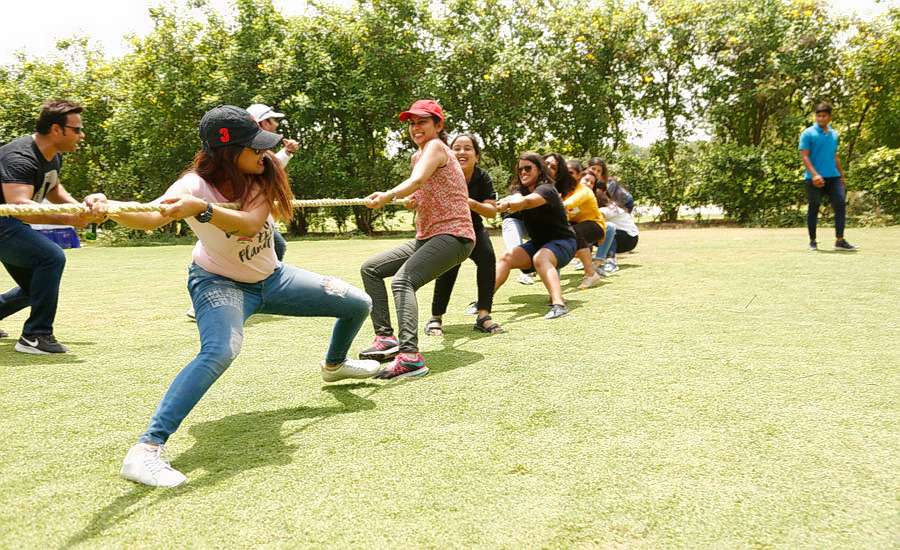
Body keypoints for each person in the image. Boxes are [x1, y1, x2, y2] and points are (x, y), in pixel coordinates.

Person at [110, 106, 380, 487]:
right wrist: (109, 210)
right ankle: (146, 450)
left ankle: (334, 366)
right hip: (220, 283)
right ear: (228, 151)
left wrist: (203, 212)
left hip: (274, 278)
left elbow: (251, 224)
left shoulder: (259, 175)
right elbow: (152, 216)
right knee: (220, 351)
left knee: (357, 303)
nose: (264, 153)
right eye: (255, 147)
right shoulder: (192, 186)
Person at [360, 99, 475, 379]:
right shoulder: (418, 156)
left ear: (438, 125)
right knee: (371, 269)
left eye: (422, 121)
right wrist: (413, 200)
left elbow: (418, 180)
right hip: (428, 236)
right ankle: (386, 338)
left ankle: (410, 357)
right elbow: (421, 189)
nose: (415, 127)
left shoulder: (436, 147)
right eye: (411, 123)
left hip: (454, 235)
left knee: (403, 281)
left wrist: (389, 195)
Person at [0, 99, 107, 353]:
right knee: (51, 258)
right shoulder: (19, 157)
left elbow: (53, 188)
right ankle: (36, 336)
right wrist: (70, 219)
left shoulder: (52, 155)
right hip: (5, 220)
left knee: (37, 287)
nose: (82, 135)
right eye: (77, 130)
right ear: (56, 130)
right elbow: (19, 206)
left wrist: (78, 209)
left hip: (9, 223)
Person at [184, 103, 299, 320]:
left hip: (253, 221)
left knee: (274, 247)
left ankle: (255, 289)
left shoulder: (258, 155)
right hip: (236, 223)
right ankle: (212, 298)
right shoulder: (243, 148)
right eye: (271, 120)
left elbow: (268, 168)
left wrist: (286, 153)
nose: (275, 124)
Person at [425, 133, 502, 336]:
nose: (462, 152)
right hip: (448, 229)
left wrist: (470, 203)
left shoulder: (482, 177)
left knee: (487, 258)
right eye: (456, 148)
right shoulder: (443, 174)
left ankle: (483, 316)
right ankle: (435, 318)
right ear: (449, 154)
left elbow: (492, 212)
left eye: (468, 148)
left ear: (477, 156)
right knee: (448, 267)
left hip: (474, 228)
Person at [495, 153, 577, 320]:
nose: (523, 172)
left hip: (564, 242)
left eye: (528, 168)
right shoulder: (520, 190)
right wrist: (503, 202)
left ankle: (559, 304)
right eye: (520, 170)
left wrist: (509, 204)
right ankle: (482, 302)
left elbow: (527, 202)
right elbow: (518, 197)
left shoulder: (547, 190)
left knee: (541, 257)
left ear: (539, 170)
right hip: (539, 244)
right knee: (507, 257)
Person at [799, 102, 855, 251]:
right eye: (818, 115)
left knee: (840, 205)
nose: (821, 118)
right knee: (814, 207)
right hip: (813, 178)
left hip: (833, 177)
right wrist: (815, 175)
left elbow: (834, 156)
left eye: (824, 116)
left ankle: (840, 240)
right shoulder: (808, 133)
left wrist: (841, 175)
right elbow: (805, 156)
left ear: (829, 117)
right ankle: (812, 241)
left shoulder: (834, 134)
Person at [562, 171, 606, 289]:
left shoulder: (585, 191)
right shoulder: (567, 192)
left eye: (592, 183)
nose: (589, 184)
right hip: (580, 226)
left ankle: (591, 274)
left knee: (574, 232)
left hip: (596, 226)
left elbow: (567, 204)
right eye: (586, 180)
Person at [594, 179, 639, 273]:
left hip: (629, 239)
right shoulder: (604, 205)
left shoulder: (611, 207)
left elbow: (595, 216)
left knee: (608, 230)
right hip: (620, 238)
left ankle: (611, 262)